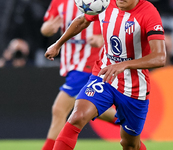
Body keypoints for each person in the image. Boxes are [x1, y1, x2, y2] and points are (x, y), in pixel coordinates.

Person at [45, 0, 166, 149]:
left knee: (129, 144)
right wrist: (58, 44)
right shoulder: (104, 3)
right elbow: (83, 20)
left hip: (134, 87)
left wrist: (124, 64)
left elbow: (160, 57)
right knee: (77, 117)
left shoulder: (148, 12)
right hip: (104, 75)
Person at [40, 0, 117, 150]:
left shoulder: (102, 2)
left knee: (59, 109)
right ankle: (127, 120)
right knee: (92, 107)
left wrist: (102, 38)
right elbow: (45, 28)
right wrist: (49, 28)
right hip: (71, 63)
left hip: (89, 63)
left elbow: (116, 24)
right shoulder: (59, 2)